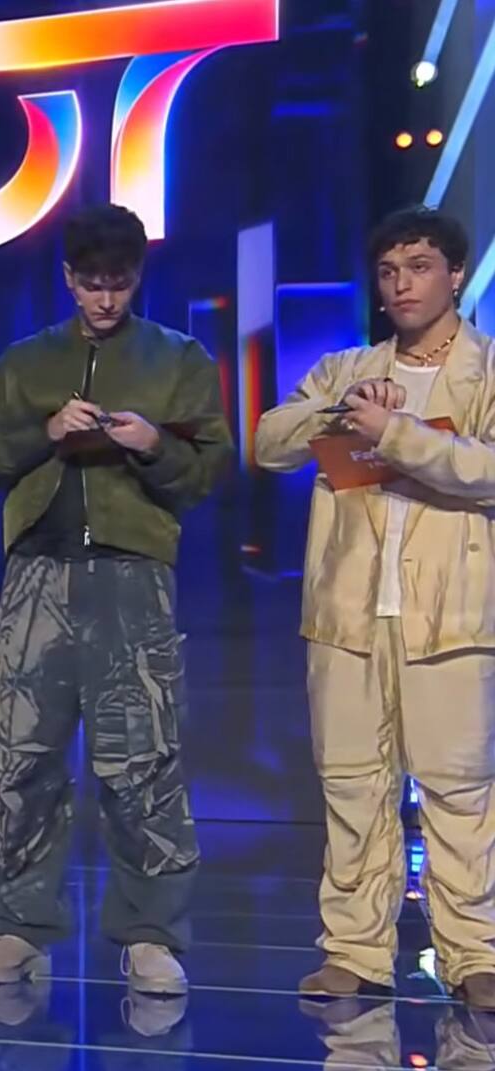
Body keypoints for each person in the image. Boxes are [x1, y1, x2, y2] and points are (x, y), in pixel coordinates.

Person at [0, 205, 233, 993]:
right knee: (20, 757)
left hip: (132, 575)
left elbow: (209, 471)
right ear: (68, 279)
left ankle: (150, 934)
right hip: (35, 576)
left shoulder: (177, 359)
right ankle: (19, 927)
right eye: (92, 283)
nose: (106, 300)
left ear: (138, 278)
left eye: (120, 283)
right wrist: (43, 432)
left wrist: (154, 445)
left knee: (143, 760)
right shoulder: (25, 363)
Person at [255, 206, 495, 1012]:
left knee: (460, 789)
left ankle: (475, 955)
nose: (402, 285)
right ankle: (355, 952)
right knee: (352, 784)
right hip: (349, 612)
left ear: (454, 274)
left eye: (419, 267)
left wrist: (398, 434)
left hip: (452, 613)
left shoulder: (488, 371)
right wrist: (342, 411)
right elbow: (269, 442)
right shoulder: (346, 368)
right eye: (390, 271)